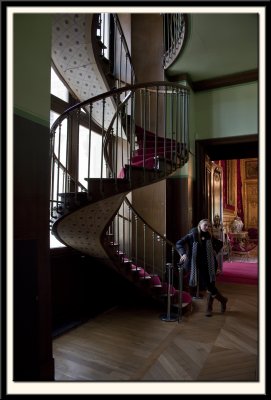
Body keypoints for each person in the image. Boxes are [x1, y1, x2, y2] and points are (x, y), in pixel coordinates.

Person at [176, 219, 228, 317]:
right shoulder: (192, 234)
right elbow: (179, 243)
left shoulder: (209, 236)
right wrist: (183, 254)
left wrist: (215, 251)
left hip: (210, 264)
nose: (207, 227)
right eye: (205, 225)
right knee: (209, 285)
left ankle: (209, 308)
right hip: (196, 264)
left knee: (210, 285)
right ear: (199, 225)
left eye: (209, 226)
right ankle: (223, 300)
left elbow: (220, 243)